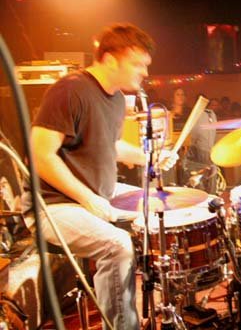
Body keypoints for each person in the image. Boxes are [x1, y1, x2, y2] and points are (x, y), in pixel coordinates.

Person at [22, 23, 178, 330]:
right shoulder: (70, 90)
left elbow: (111, 144)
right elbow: (39, 156)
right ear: (109, 59)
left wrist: (150, 156)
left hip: (96, 193)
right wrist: (88, 199)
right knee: (117, 244)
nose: (145, 72)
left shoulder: (116, 99)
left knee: (163, 202)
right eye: (138, 64)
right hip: (52, 206)